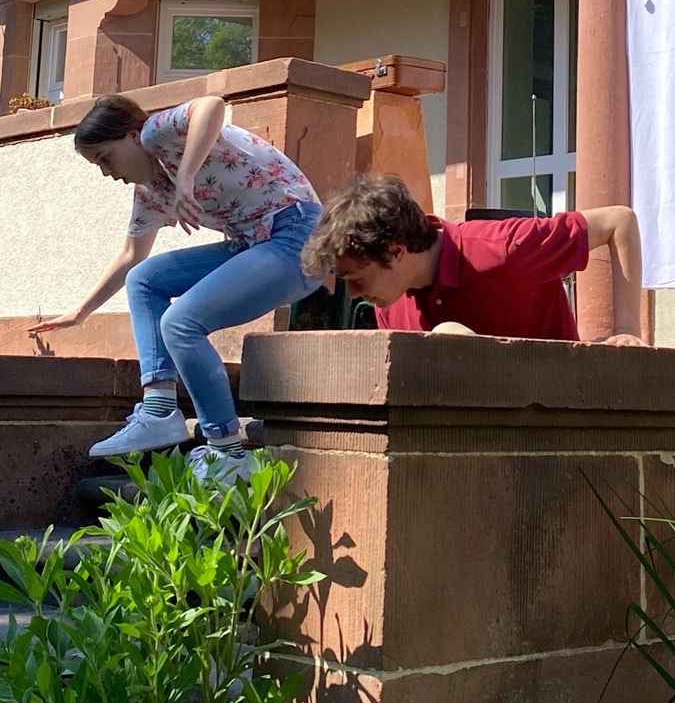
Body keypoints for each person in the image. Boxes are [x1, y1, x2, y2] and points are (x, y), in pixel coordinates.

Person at [28, 94, 323, 482]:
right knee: (144, 279)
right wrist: (81, 312)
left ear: (132, 135)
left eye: (105, 158)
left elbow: (211, 105)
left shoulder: (156, 133)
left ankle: (226, 452)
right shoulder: (152, 191)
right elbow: (131, 255)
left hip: (300, 236)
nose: (106, 173)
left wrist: (186, 174)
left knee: (181, 322)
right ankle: (159, 409)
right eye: (98, 166)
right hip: (254, 244)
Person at [301, 174, 647, 346]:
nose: (352, 294)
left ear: (395, 250)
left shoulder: (505, 248)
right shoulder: (388, 303)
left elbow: (618, 221)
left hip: (556, 424)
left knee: (449, 337)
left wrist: (627, 330)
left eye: (356, 279)